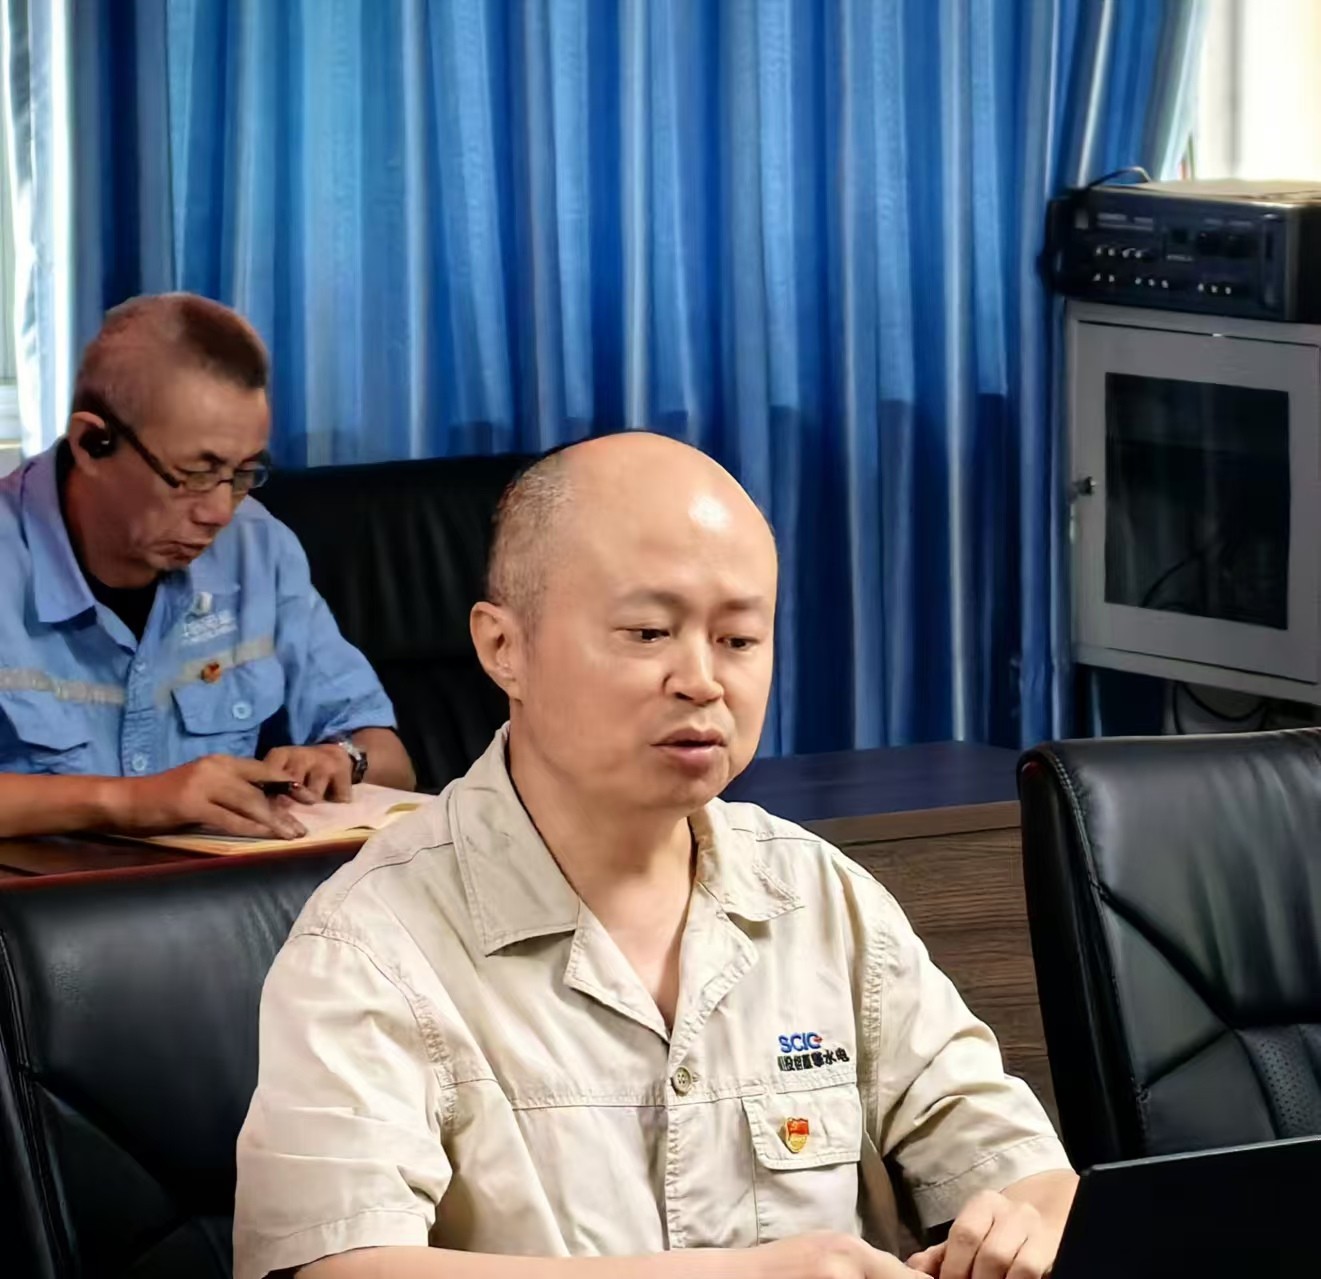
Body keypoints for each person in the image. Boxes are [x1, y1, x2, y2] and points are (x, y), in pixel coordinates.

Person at [234, 433, 1076, 1279]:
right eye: (647, 631)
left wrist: (1030, 1216)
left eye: (738, 639)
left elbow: (1020, 1167)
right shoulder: (368, 942)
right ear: (503, 648)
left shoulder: (819, 896)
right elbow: (339, 1268)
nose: (701, 680)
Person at [0, 293, 415, 842]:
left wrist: (342, 759)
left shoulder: (259, 548)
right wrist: (131, 802)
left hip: (223, 892)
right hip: (46, 895)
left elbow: (389, 757)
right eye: (195, 473)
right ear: (91, 444)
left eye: (243, 474)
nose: (220, 511)